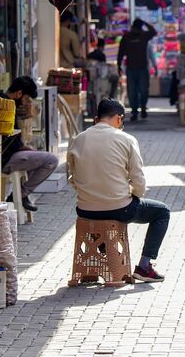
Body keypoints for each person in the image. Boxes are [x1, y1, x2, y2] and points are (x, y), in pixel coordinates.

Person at [68, 99, 170, 283]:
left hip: (85, 209)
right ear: (119, 118)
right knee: (162, 211)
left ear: (96, 118)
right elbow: (138, 179)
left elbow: (73, 177)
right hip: (119, 208)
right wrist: (135, 194)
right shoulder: (127, 139)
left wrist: (88, 194)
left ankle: (107, 260)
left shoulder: (78, 140)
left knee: (99, 218)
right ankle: (144, 266)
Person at [0, 76, 60, 212]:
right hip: (5, 159)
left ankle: (22, 195)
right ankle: (20, 194)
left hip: (8, 155)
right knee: (51, 160)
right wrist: (23, 147)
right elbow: (8, 141)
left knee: (36, 157)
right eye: (26, 99)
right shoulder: (6, 106)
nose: (26, 103)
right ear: (19, 94)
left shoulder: (3, 102)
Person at [118, 19, 157, 121]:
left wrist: (144, 22)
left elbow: (154, 32)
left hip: (142, 68)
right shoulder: (127, 37)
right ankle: (135, 112)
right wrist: (119, 66)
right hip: (132, 69)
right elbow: (121, 52)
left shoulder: (143, 35)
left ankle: (142, 108)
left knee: (142, 91)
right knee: (133, 92)